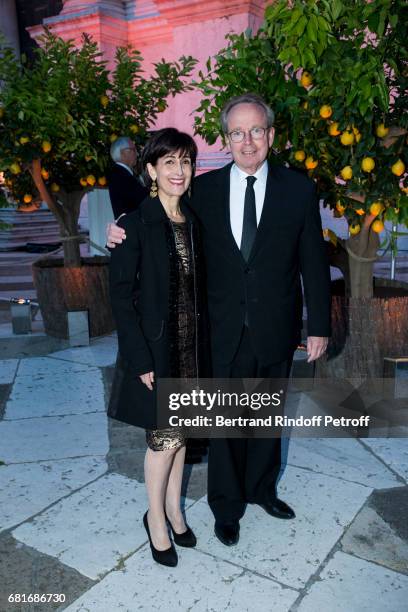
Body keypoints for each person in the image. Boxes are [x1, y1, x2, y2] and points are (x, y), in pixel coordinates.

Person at [107, 93, 331, 547]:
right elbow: (160, 216)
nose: (247, 141)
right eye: (237, 133)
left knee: (267, 416)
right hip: (219, 328)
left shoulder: (299, 189)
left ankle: (262, 490)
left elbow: (313, 262)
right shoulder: (203, 191)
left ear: (270, 135)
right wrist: (121, 225)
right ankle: (226, 505)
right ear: (225, 139)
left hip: (276, 323)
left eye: (256, 131)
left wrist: (319, 325)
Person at [108, 128, 208, 567]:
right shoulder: (133, 225)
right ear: (150, 169)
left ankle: (173, 510)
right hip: (157, 351)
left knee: (181, 435)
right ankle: (154, 520)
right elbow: (120, 298)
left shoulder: (195, 221)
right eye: (168, 162)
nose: (178, 170)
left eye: (185, 161)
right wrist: (139, 358)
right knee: (163, 440)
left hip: (193, 349)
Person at [108, 136, 147, 218]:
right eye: (134, 150)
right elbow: (144, 200)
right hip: (133, 227)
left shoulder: (121, 173)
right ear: (123, 153)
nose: (137, 154)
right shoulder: (121, 175)